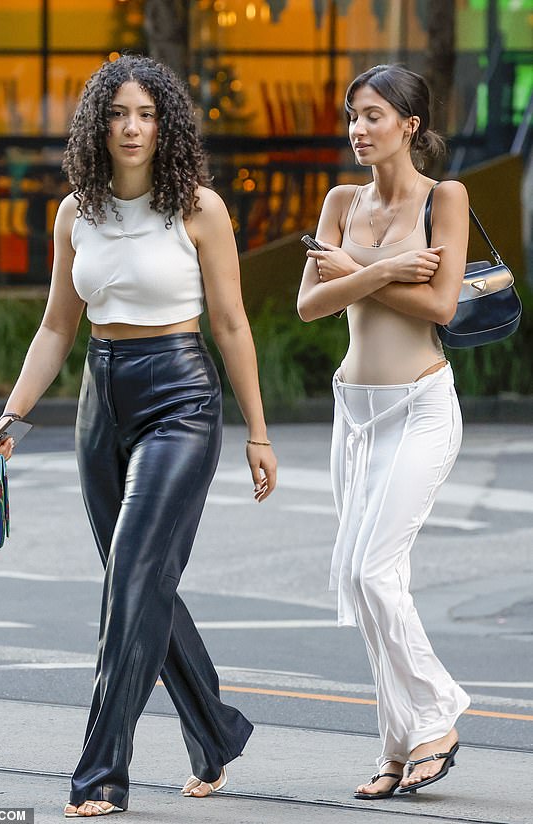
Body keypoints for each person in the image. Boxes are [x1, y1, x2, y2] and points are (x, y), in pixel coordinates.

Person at [0, 54, 277, 817]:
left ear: (166, 123)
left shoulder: (200, 209)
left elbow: (232, 323)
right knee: (139, 582)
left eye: (147, 114)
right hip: (99, 397)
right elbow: (56, 326)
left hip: (180, 396)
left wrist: (259, 431)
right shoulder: (75, 212)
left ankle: (100, 773)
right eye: (119, 114)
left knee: (130, 581)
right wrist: (13, 414)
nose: (133, 127)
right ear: (98, 125)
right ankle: (216, 730)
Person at [297, 64, 470, 800]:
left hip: (422, 407)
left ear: (409, 124)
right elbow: (310, 303)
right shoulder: (340, 200)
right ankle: (395, 744)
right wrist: (385, 267)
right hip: (354, 414)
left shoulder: (447, 198)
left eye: (372, 116)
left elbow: (440, 306)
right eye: (352, 117)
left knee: (373, 572)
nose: (359, 130)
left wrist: (357, 266)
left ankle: (437, 717)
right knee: (364, 584)